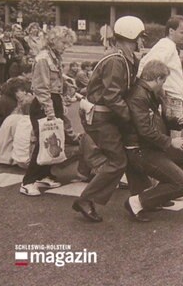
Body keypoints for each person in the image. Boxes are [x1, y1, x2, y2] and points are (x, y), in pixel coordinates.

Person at [72, 16, 146, 222]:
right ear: (131, 36)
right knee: (118, 161)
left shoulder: (125, 58)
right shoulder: (116, 60)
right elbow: (112, 96)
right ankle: (86, 199)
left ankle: (143, 197)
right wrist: (131, 118)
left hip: (107, 114)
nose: (142, 42)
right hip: (101, 116)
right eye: (140, 37)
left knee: (128, 155)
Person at [122, 60, 183, 222]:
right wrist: (170, 142)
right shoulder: (139, 96)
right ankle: (137, 202)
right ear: (158, 79)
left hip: (148, 147)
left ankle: (152, 198)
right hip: (141, 150)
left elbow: (157, 122)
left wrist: (176, 122)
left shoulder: (147, 93)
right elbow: (145, 130)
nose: (163, 85)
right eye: (163, 81)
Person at [19, 26, 77, 197]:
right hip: (45, 104)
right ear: (54, 40)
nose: (66, 47)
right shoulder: (44, 58)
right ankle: (27, 181)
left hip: (53, 101)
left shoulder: (53, 56)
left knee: (54, 139)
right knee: (43, 141)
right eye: (64, 43)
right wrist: (50, 111)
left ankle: (44, 174)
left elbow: (54, 83)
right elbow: (41, 88)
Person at [137, 15, 183, 139]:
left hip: (172, 99)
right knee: (175, 140)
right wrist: (157, 89)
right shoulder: (167, 45)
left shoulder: (168, 45)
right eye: (182, 32)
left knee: (172, 137)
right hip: (172, 99)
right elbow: (149, 65)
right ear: (171, 31)